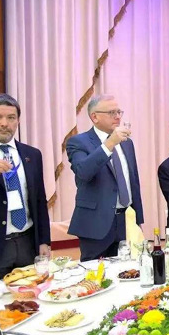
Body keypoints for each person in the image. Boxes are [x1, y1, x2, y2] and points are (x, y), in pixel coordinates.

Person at [67, 94, 144, 261]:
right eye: (111, 113)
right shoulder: (78, 142)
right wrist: (109, 144)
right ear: (94, 117)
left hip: (126, 221)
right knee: (96, 273)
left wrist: (138, 220)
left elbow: (133, 182)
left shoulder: (127, 143)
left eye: (119, 112)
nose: (117, 117)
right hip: (96, 224)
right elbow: (83, 172)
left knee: (128, 270)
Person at [0, 94, 50, 277]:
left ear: (18, 121)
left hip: (27, 242)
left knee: (32, 292)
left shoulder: (32, 155)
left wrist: (44, 240)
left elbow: (40, 200)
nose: (4, 123)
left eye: (11, 117)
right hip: (0, 245)